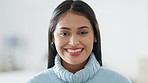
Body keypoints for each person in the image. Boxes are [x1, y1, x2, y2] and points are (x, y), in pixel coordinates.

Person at [27, 0, 132, 83]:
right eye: (64, 33)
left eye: (83, 33)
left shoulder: (119, 81)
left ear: (95, 36)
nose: (73, 42)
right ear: (52, 38)